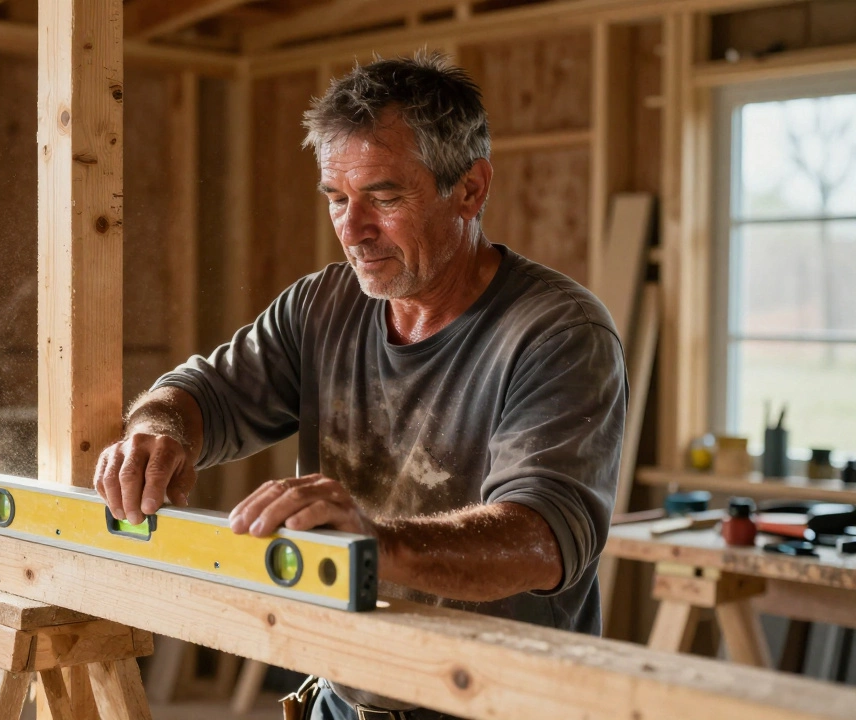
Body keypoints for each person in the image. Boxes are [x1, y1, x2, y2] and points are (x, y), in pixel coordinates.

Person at [93, 52, 626, 720]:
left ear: (470, 188)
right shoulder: (323, 307)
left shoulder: (557, 332)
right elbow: (201, 392)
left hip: (503, 704)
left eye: (384, 197)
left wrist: (377, 543)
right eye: (337, 199)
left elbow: (542, 539)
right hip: (348, 698)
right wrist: (157, 432)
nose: (353, 230)